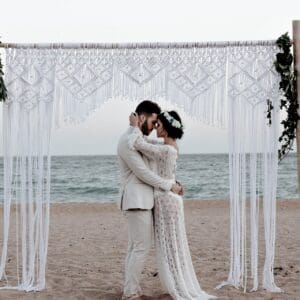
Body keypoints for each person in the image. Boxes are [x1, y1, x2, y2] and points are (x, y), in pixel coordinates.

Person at [128, 110, 216, 300]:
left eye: (158, 125)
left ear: (166, 129)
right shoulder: (170, 146)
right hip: (170, 198)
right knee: (172, 244)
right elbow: (148, 145)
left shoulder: (166, 149)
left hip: (166, 200)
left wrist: (135, 126)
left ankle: (176, 285)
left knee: (169, 246)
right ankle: (176, 283)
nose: (155, 128)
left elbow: (138, 144)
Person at [117, 100, 182, 300]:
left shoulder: (138, 138)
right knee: (141, 247)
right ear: (142, 118)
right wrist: (168, 185)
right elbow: (143, 172)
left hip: (143, 201)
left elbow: (163, 152)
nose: (155, 127)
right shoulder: (128, 140)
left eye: (158, 124)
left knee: (135, 247)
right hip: (136, 200)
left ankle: (130, 289)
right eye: (153, 122)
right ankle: (131, 294)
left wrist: (172, 180)